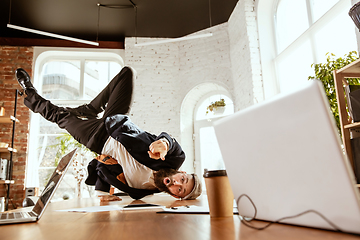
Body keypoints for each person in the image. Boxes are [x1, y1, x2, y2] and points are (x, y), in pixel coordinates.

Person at [15, 67, 201, 201]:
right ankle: (89, 109)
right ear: (182, 173)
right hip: (117, 123)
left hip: (95, 139)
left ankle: (30, 92)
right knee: (127, 74)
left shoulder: (139, 191)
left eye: (180, 190)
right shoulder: (174, 159)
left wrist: (102, 194)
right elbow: (172, 141)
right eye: (182, 180)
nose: (177, 184)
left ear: (177, 197)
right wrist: (164, 144)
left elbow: (102, 171)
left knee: (60, 117)